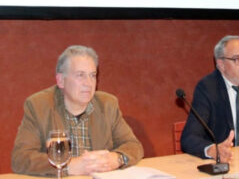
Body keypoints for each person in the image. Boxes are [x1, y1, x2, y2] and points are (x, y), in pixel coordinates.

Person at [12, 45, 144, 176]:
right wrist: (68, 166)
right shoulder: (39, 106)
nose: (89, 83)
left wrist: (117, 159)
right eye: (80, 75)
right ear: (61, 80)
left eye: (92, 75)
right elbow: (20, 159)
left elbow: (133, 145)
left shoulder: (107, 104)